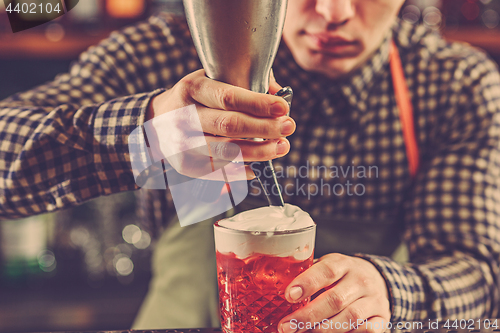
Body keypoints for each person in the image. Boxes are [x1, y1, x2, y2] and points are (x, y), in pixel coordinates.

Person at [1, 0, 500, 331]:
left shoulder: (451, 85)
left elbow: (478, 276)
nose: (333, 12)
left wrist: (391, 292)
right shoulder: (170, 50)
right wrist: (152, 132)